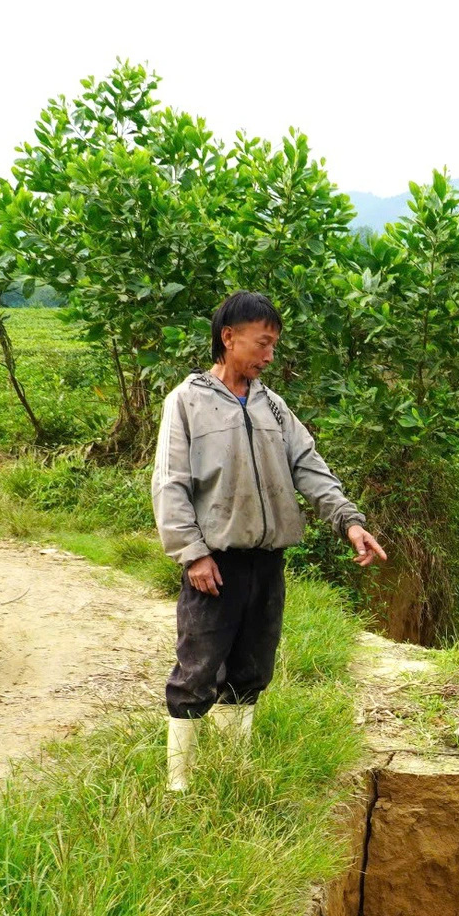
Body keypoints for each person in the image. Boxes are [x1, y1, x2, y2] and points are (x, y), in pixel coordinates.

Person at [151, 290, 387, 791]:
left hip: (267, 561)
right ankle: (180, 786)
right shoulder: (187, 402)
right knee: (197, 669)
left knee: (252, 667)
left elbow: (307, 465)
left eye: (274, 345)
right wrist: (192, 553)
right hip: (214, 563)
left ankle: (234, 771)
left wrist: (349, 520)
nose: (269, 355)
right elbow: (170, 483)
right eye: (262, 343)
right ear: (228, 337)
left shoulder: (272, 407)